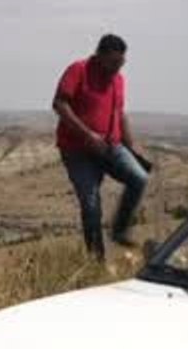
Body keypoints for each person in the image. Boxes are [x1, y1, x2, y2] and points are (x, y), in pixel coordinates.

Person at [53, 34, 149, 260]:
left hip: (110, 146)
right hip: (78, 150)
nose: (118, 67)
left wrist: (131, 147)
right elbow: (59, 103)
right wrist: (88, 135)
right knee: (91, 203)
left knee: (140, 179)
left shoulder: (118, 79)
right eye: (114, 62)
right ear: (100, 56)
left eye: (122, 63)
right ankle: (97, 260)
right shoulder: (79, 69)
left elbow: (119, 113)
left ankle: (119, 231)